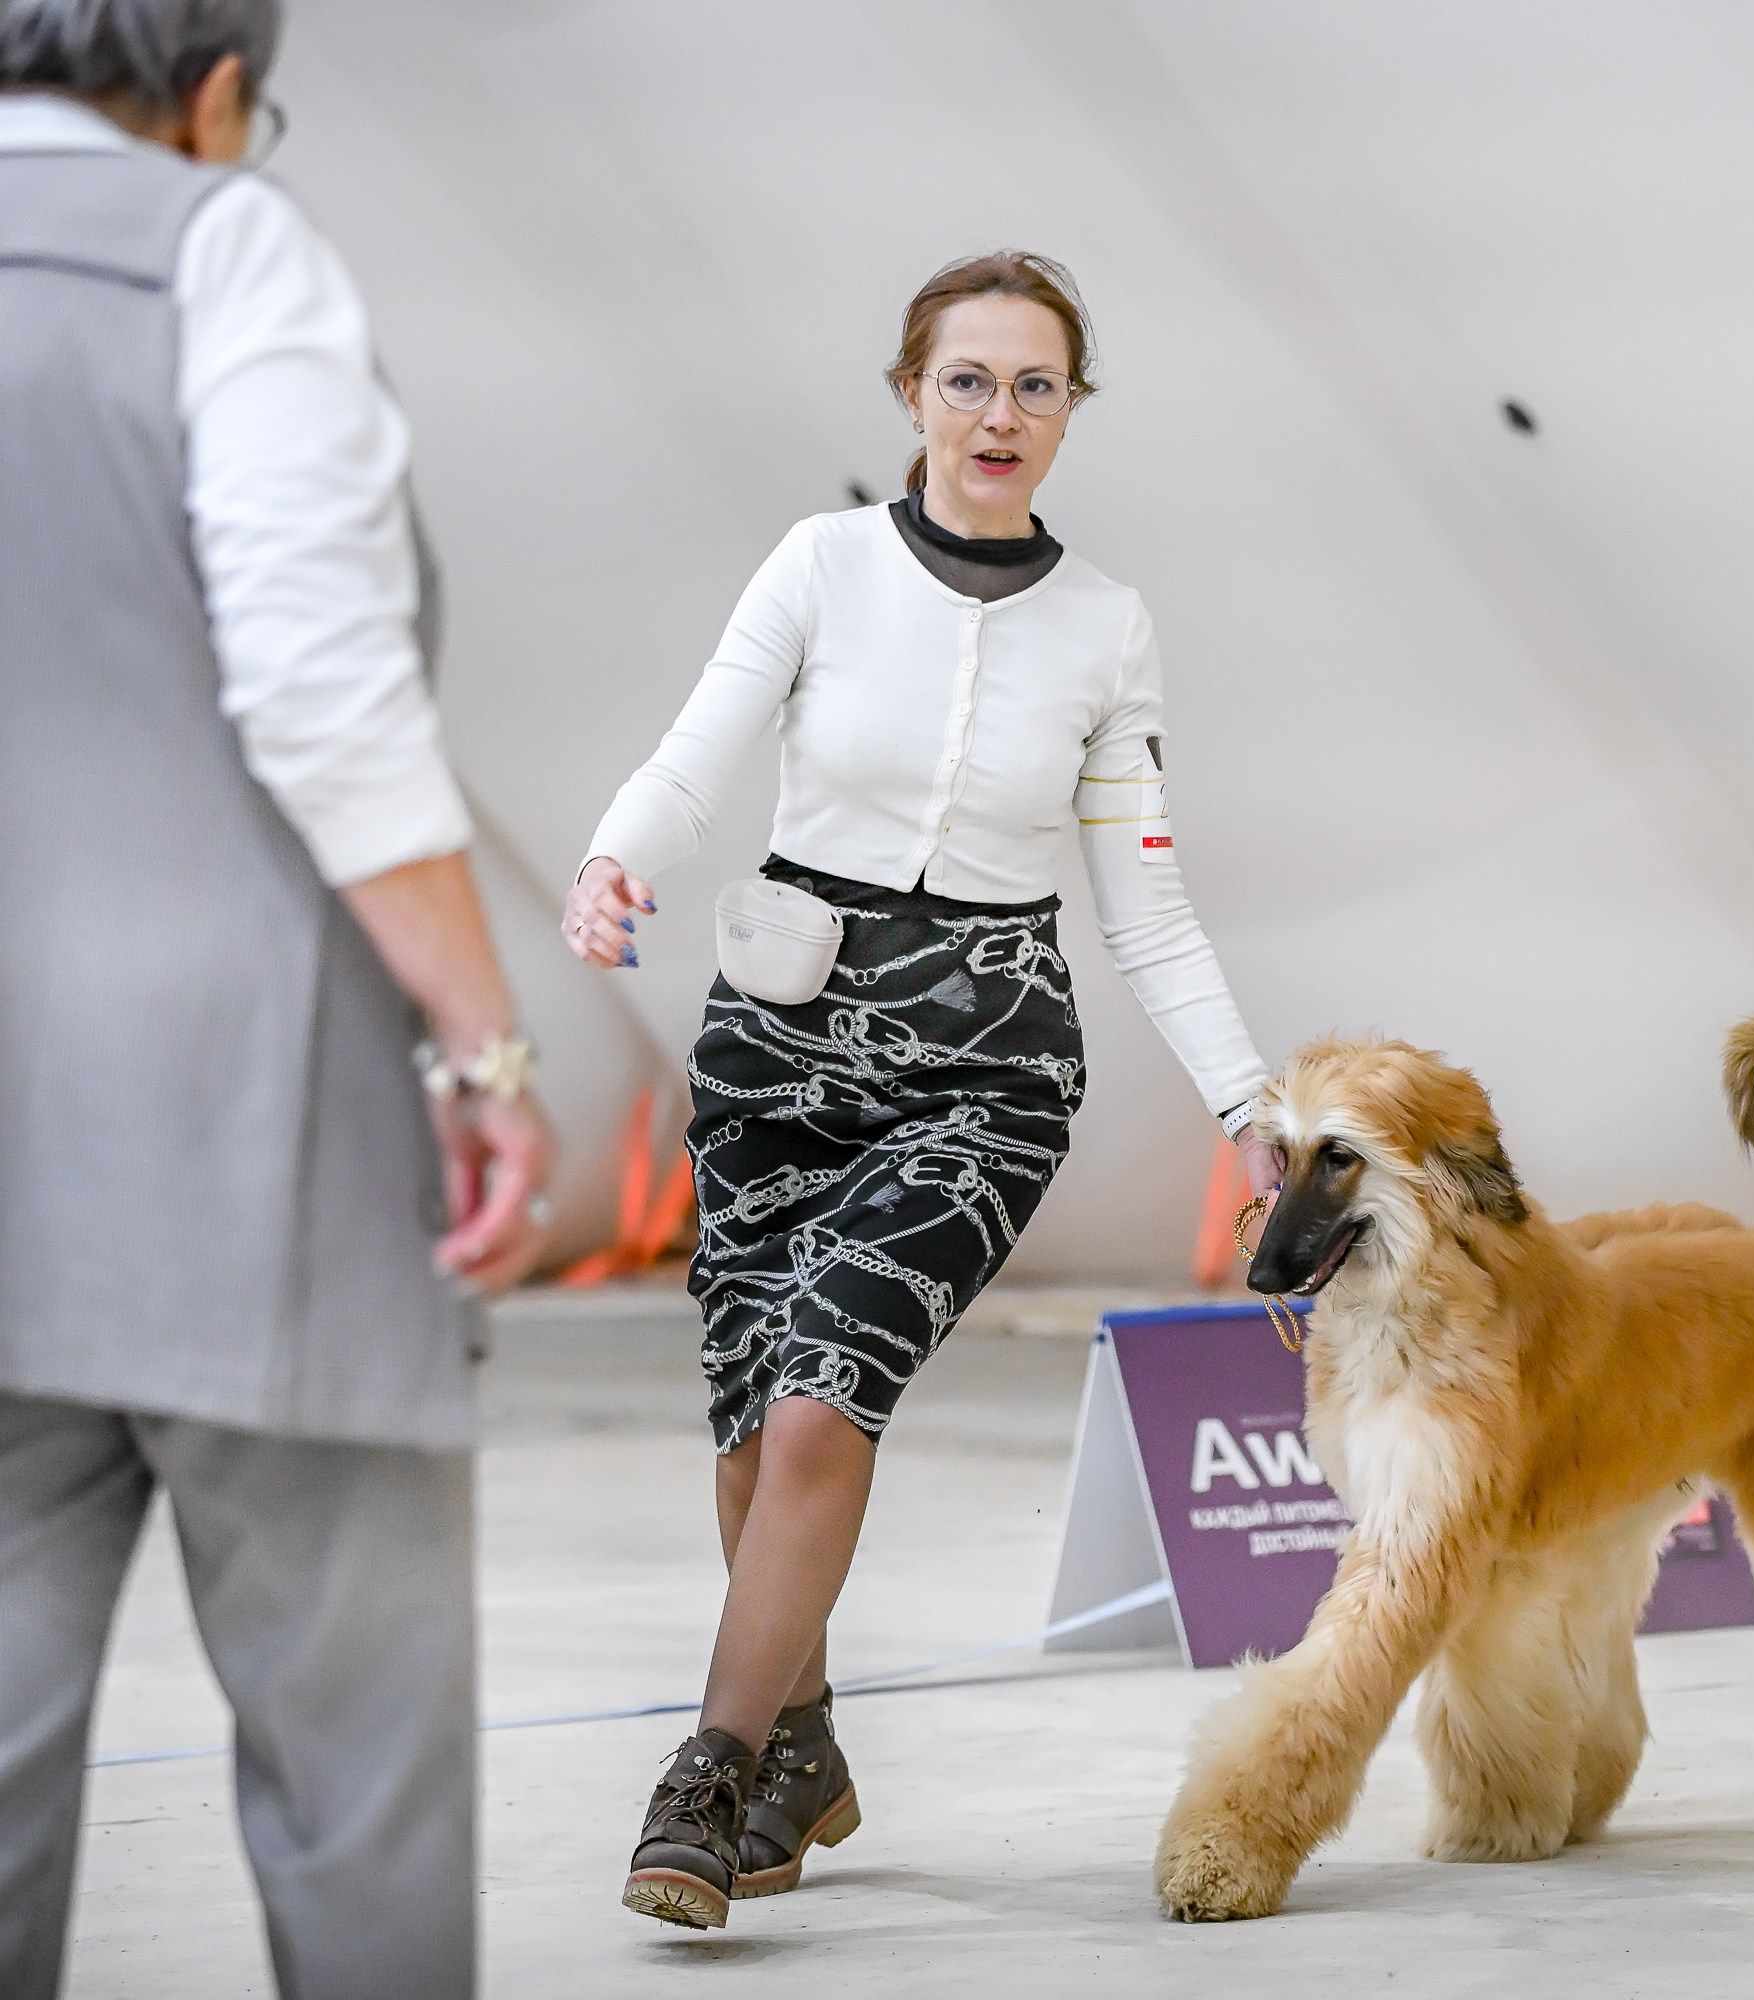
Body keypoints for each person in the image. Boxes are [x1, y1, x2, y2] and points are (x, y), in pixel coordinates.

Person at [568, 249, 1281, 1928]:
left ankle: (708, 1775)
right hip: (776, 1048)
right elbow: (697, 753)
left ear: (1072, 411)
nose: (999, 414)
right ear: (912, 395)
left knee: (825, 1405)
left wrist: (1253, 1112)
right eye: (968, 380)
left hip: (986, 1072)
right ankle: (802, 1749)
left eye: (1037, 385)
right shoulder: (819, 565)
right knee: (753, 1438)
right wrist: (613, 858)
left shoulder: (1107, 626)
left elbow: (1147, 906)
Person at [0, 3, 554, 1994]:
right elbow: (317, 685)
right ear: (217, 91)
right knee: (356, 1766)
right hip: (246, 1143)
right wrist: (483, 1046)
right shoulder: (221, 246)